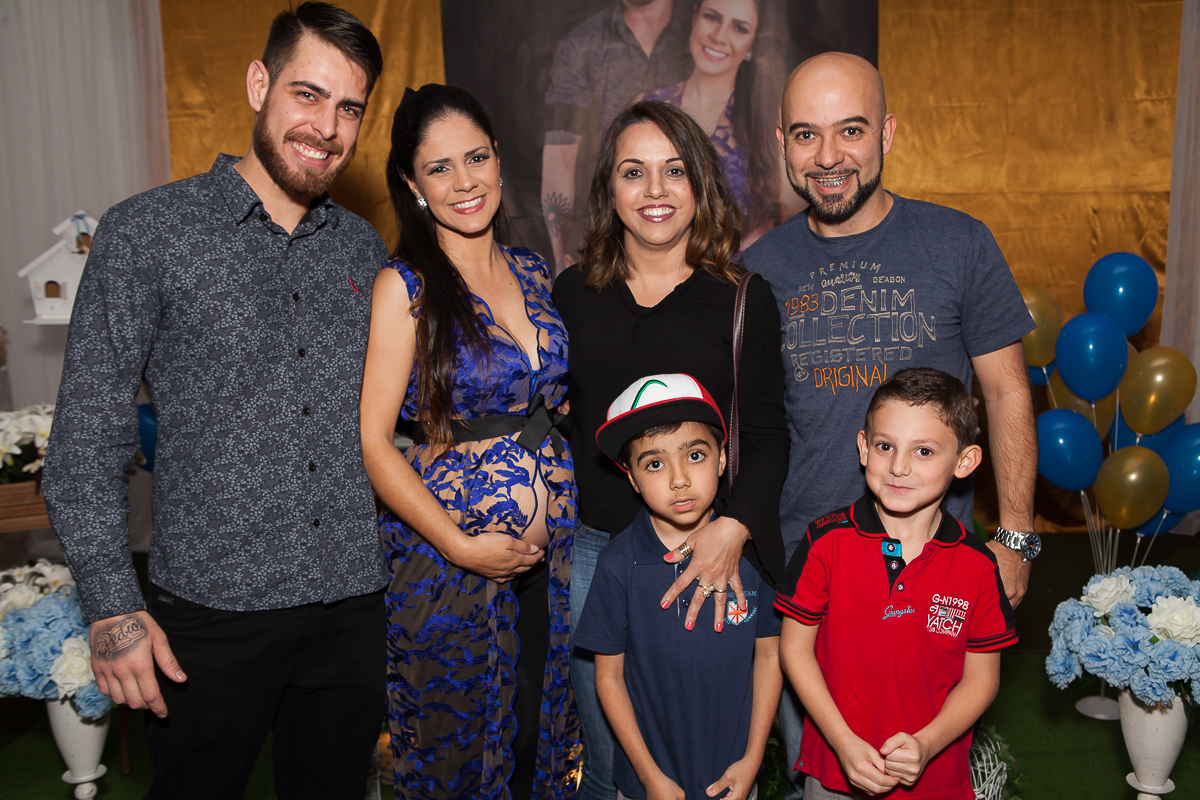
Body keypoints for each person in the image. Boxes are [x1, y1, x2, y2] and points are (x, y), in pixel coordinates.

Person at [41, 4, 387, 797]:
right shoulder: (147, 234)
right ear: (259, 84)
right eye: (308, 94)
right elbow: (84, 447)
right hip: (208, 617)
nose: (326, 127)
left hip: (351, 608)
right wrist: (111, 609)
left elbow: (383, 424)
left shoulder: (363, 248)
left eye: (348, 108)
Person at [741, 52, 1038, 798]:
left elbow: (1005, 395)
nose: (829, 157)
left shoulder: (960, 243)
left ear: (889, 132)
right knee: (826, 778)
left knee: (924, 770)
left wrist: (1017, 536)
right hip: (808, 588)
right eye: (806, 135)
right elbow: (749, 428)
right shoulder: (757, 270)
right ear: (781, 141)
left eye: (851, 130)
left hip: (934, 582)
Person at [553, 99, 789, 800]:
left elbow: (771, 435)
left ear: (702, 187)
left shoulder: (744, 299)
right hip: (599, 554)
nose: (655, 191)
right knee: (607, 763)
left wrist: (732, 529)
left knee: (710, 757)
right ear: (609, 190)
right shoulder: (572, 294)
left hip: (710, 548)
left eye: (674, 171)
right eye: (634, 172)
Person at [359, 83, 578, 800]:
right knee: (460, 755)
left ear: (498, 162)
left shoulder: (531, 269)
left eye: (475, 157)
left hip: (551, 562)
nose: (464, 181)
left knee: (532, 740)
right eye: (440, 167)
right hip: (449, 567)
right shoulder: (406, 285)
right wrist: (462, 546)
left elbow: (543, 395)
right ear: (412, 185)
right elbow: (374, 443)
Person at [776, 368, 1018, 799]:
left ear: (964, 462)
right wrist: (844, 743)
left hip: (935, 779)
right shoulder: (825, 541)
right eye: (886, 446)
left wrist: (927, 743)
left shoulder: (977, 566)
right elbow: (795, 650)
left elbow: (982, 680)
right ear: (864, 448)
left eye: (924, 451)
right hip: (837, 771)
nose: (899, 467)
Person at [574, 373, 783, 800]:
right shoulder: (618, 563)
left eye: (695, 455)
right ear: (631, 478)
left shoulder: (754, 553)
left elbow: (769, 655)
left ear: (722, 460)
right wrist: (651, 779)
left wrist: (753, 759)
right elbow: (608, 679)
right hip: (648, 787)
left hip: (735, 781)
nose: (678, 479)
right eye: (654, 463)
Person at [542, 0, 690, 272]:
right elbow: (560, 153)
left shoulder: (703, 26)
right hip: (616, 251)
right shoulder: (584, 41)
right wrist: (559, 251)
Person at [640, 0, 798, 246]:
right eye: (712, 18)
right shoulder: (646, 106)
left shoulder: (772, 121)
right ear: (695, 17)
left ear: (753, 41)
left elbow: (792, 222)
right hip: (656, 276)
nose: (719, 36)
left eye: (739, 28)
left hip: (739, 277)